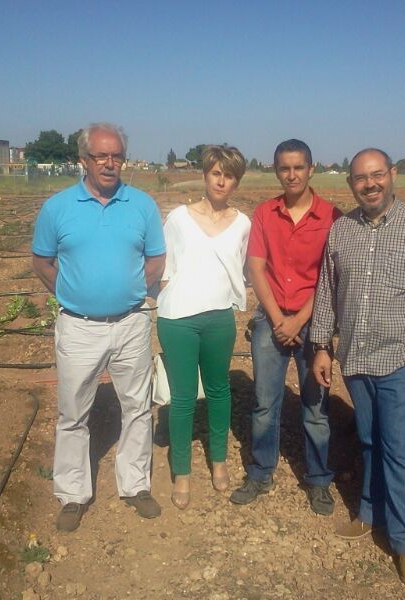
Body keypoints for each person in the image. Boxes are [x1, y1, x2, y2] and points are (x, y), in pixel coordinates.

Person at [310, 148, 405, 583]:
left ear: (392, 175)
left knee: (402, 449)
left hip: (403, 356)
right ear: (351, 183)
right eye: (360, 178)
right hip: (357, 357)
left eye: (377, 175)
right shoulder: (342, 231)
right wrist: (322, 345)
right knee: (371, 440)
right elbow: (326, 291)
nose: (369, 184)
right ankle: (370, 513)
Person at [31, 122, 166, 531]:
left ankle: (135, 485)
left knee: (138, 407)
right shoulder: (58, 207)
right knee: (72, 412)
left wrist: (128, 292)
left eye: (117, 155)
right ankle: (73, 493)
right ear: (83, 160)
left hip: (131, 324)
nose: (110, 163)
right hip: (79, 328)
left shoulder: (141, 204)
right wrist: (73, 296)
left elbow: (156, 259)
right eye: (101, 156)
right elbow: (41, 262)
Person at [230, 139, 341, 515]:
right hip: (271, 318)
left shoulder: (331, 216)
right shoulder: (265, 213)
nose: (291, 174)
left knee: (315, 405)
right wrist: (279, 320)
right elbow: (256, 268)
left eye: (298, 167)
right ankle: (261, 472)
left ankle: (319, 480)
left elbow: (331, 277)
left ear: (311, 169)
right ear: (276, 171)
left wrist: (298, 320)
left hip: (314, 322)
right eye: (284, 168)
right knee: (264, 403)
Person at [157, 145, 251, 510]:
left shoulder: (243, 224)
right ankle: (181, 472)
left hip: (218, 319)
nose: (221, 180)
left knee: (218, 391)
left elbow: (242, 270)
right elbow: (165, 268)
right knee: (181, 399)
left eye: (229, 175)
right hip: (178, 318)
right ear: (205, 174)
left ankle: (219, 460)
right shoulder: (179, 218)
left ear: (236, 181)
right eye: (216, 172)